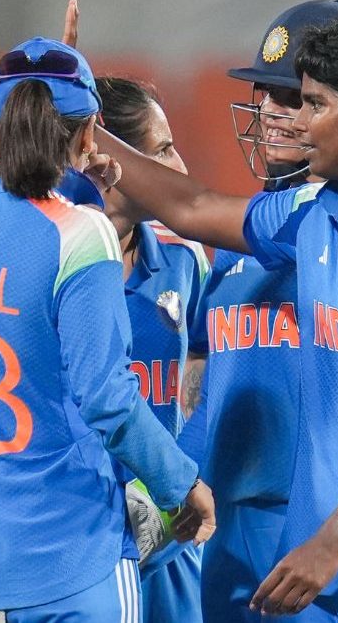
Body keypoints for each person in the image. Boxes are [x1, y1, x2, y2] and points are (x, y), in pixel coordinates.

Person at [91, 8, 338, 621]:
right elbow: (195, 204)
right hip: (325, 561)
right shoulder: (315, 214)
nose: (295, 123)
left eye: (312, 104)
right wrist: (77, 124)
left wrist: (331, 542)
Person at [0, 37, 216, 622]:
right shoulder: (84, 235)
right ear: (90, 133)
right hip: (63, 560)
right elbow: (106, 398)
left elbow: (17, 218)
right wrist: (183, 485)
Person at [166, 0, 338, 623]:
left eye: (293, 96)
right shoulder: (231, 255)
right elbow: (207, 396)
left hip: (311, 539)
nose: (271, 110)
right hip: (223, 538)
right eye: (266, 92)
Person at [94, 76, 211, 623]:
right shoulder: (41, 261)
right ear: (115, 161)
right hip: (78, 536)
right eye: (163, 150)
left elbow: (202, 361)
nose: (180, 167)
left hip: (168, 537)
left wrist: (182, 470)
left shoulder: (185, 259)